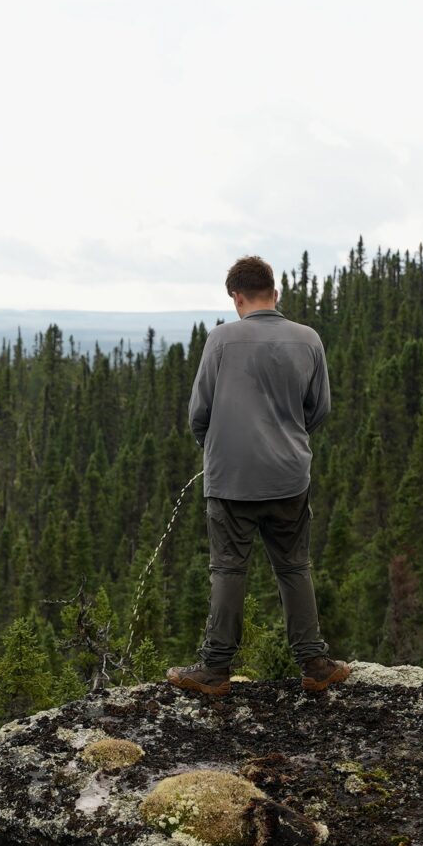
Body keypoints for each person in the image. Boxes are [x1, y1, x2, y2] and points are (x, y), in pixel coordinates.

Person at [165, 255, 351, 698]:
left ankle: (215, 670)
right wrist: (286, 439)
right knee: (293, 565)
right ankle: (315, 664)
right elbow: (318, 408)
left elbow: (199, 413)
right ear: (276, 291)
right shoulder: (308, 339)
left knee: (229, 568)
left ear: (236, 296)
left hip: (230, 479)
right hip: (289, 476)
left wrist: (215, 449)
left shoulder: (221, 341)